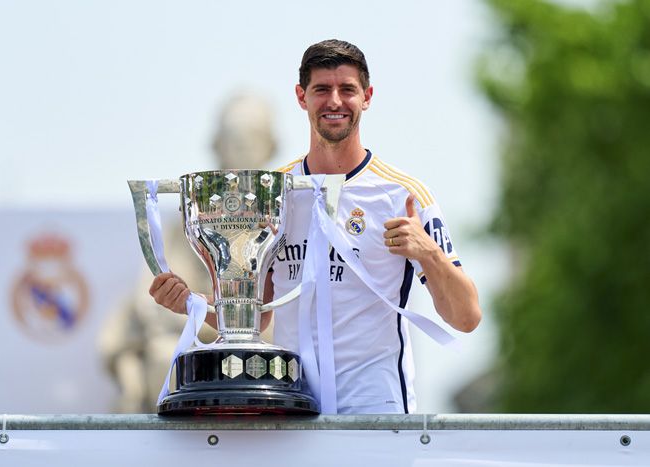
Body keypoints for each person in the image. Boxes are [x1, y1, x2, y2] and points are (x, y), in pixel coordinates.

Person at [150, 39, 481, 414]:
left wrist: (429, 253)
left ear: (367, 96)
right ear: (301, 97)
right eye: (322, 89)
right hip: (295, 404)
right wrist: (191, 305)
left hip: (374, 407)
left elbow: (466, 317)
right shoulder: (270, 192)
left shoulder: (401, 194)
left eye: (348, 90)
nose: (335, 102)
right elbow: (255, 316)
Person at [100, 92, 277, 412]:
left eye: (250, 138)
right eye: (233, 139)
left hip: (269, 339)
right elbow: (152, 300)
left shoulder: (288, 213)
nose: (241, 149)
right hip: (195, 338)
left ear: (270, 145)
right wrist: (215, 320)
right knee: (165, 354)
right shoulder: (190, 220)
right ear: (216, 145)